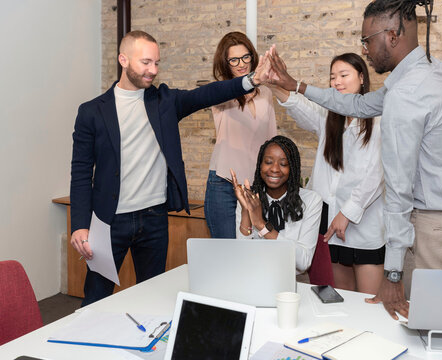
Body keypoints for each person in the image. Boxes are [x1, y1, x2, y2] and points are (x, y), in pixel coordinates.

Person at [267, 0, 442, 319]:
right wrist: (296, 86)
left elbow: (397, 190)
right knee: (437, 315)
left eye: (367, 40)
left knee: (422, 321)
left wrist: (392, 275)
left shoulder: (408, 95)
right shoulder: (430, 70)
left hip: (435, 226)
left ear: (392, 34)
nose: (364, 49)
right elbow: (361, 106)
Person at [70, 30, 270, 306]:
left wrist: (251, 80)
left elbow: (207, 94)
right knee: (95, 298)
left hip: (154, 218)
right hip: (109, 221)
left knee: (151, 297)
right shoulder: (92, 111)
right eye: (146, 62)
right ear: (123, 60)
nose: (153, 70)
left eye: (157, 63)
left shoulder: (164, 102)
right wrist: (80, 225)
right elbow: (80, 172)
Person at [270, 53, 384, 294]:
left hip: (363, 223)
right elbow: (297, 105)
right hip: (328, 224)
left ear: (362, 78)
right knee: (338, 298)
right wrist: (272, 83)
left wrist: (348, 212)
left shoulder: (378, 120)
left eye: (344, 75)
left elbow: (377, 174)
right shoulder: (329, 116)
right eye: (333, 78)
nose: (337, 82)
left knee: (368, 303)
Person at [204, 32, 277, 239]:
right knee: (226, 252)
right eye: (234, 59)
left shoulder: (266, 93)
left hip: (255, 186)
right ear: (225, 63)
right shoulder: (221, 92)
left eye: (246, 57)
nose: (241, 63)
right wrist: (253, 80)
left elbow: (271, 138)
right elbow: (221, 92)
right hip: (224, 184)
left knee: (252, 251)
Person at [230, 135, 323, 274]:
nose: (274, 169)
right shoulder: (249, 198)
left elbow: (304, 262)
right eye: (268, 162)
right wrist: (245, 211)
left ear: (292, 168)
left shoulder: (311, 201)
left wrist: (262, 225)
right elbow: (242, 254)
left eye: (283, 164)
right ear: (260, 165)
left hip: (293, 280)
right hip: (254, 275)